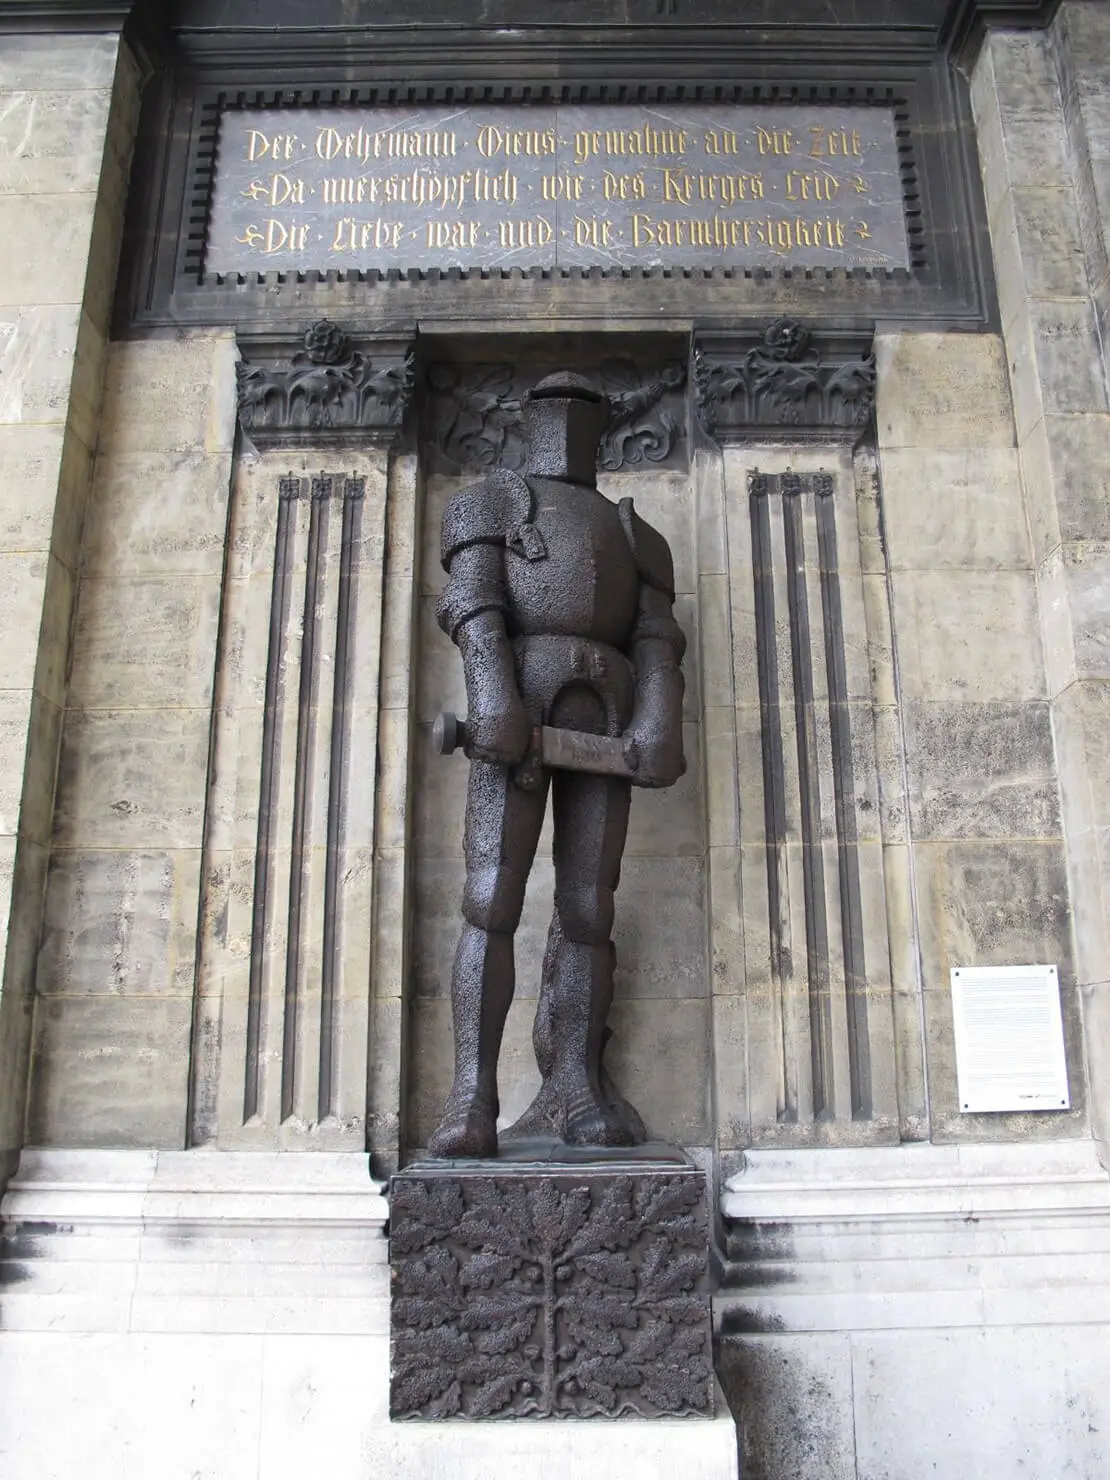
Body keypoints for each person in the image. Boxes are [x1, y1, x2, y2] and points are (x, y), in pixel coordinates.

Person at [429, 371, 686, 1158]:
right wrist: (494, 691)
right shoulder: (493, 502)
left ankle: (575, 1084)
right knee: (490, 899)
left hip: (606, 713)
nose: (570, 425)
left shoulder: (637, 533)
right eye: (557, 412)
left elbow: (655, 638)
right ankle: (471, 1097)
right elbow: (475, 607)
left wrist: (658, 717)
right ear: (530, 420)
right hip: (522, 708)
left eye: (585, 413)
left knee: (588, 909)